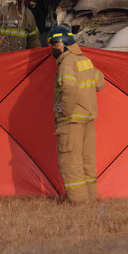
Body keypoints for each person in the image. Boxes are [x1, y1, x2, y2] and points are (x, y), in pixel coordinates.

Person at [49, 25, 105, 203]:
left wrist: (64, 113)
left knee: (70, 160)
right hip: (88, 119)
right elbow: (100, 83)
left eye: (53, 45)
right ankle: (90, 197)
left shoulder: (67, 64)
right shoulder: (86, 60)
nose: (52, 49)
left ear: (61, 44)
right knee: (87, 160)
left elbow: (70, 89)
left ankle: (78, 201)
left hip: (71, 121)